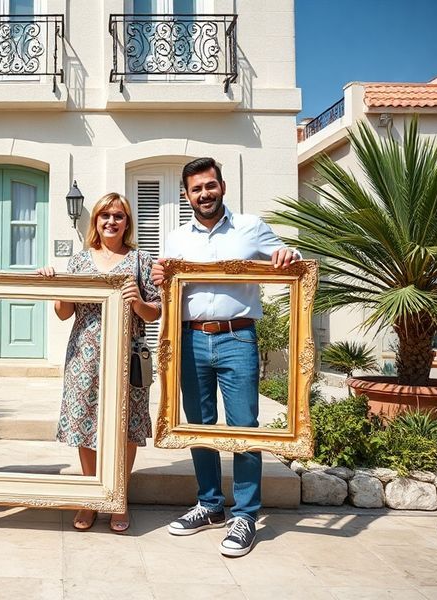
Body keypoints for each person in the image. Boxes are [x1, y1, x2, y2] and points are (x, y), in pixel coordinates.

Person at [151, 157, 298, 557]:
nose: (205, 194)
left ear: (223, 187)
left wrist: (287, 255)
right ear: (186, 195)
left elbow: (290, 258)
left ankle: (245, 515)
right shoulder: (176, 238)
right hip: (191, 339)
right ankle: (210, 504)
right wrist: (161, 279)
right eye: (196, 189)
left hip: (238, 336)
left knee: (244, 426)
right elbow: (166, 288)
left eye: (210, 186)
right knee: (199, 424)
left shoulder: (251, 227)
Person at [38, 192, 161, 533]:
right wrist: (56, 287)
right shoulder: (79, 261)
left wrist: (138, 302)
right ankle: (91, 497)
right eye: (105, 215)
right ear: (95, 220)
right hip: (85, 356)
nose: (111, 221)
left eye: (118, 216)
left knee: (127, 426)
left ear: (127, 222)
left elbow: (154, 313)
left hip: (128, 356)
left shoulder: (141, 260)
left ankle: (118, 497)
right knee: (84, 423)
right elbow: (64, 313)